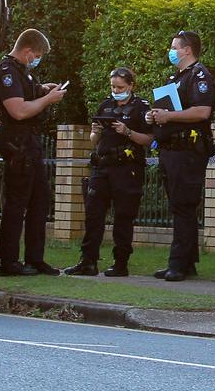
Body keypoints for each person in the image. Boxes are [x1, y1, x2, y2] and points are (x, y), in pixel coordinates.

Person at [0, 28, 66, 277]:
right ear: (27, 51)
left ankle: (35, 259)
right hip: (16, 142)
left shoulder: (22, 72)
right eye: (37, 56)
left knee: (40, 200)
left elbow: (27, 93)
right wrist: (48, 100)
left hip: (28, 142)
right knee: (16, 202)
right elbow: (19, 110)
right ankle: (9, 262)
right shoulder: (6, 72)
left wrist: (43, 90)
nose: (37, 60)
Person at [63, 67, 153, 277]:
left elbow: (149, 139)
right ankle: (88, 261)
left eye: (120, 87)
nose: (116, 90)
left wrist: (127, 131)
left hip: (127, 167)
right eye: (113, 86)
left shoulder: (141, 108)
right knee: (93, 213)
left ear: (131, 85)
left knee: (123, 215)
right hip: (103, 166)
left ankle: (120, 263)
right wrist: (96, 132)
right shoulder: (106, 105)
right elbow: (94, 141)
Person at [146, 30, 215, 282]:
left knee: (184, 206)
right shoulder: (176, 77)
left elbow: (201, 111)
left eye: (175, 47)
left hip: (188, 151)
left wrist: (169, 116)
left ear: (187, 50)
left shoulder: (199, 76)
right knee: (178, 206)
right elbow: (169, 111)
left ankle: (177, 264)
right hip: (171, 149)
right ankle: (187, 263)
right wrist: (155, 116)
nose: (171, 50)